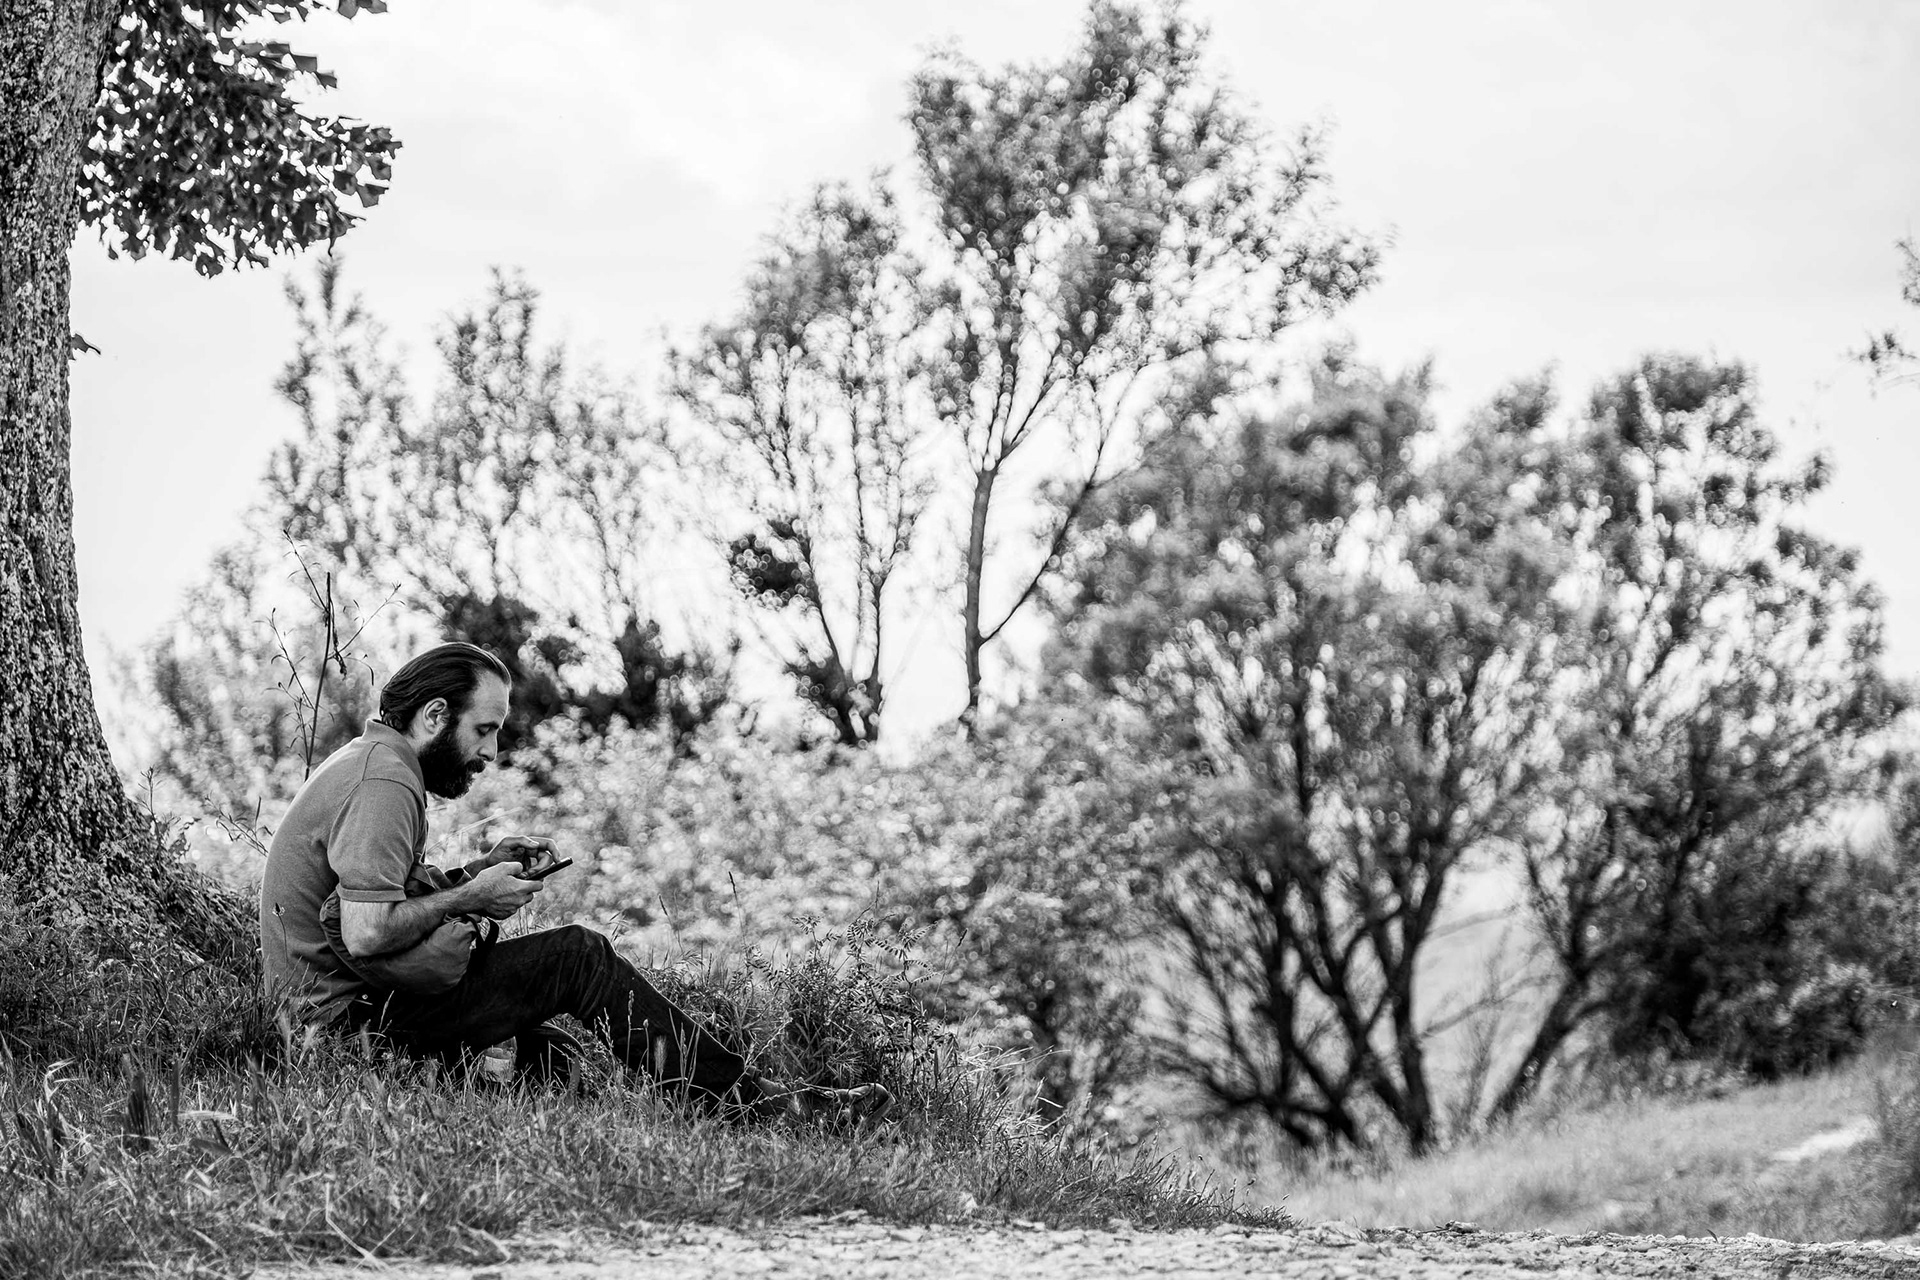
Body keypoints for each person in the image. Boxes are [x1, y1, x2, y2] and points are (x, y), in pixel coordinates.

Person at [258, 641, 887, 1124]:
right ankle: (757, 1104)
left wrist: (475, 873)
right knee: (576, 956)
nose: (491, 752)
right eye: (484, 729)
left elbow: (377, 907)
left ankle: (472, 1093)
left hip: (349, 1017)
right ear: (434, 715)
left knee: (548, 1053)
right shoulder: (384, 782)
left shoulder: (373, 763)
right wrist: (473, 898)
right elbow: (368, 934)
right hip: (341, 1034)